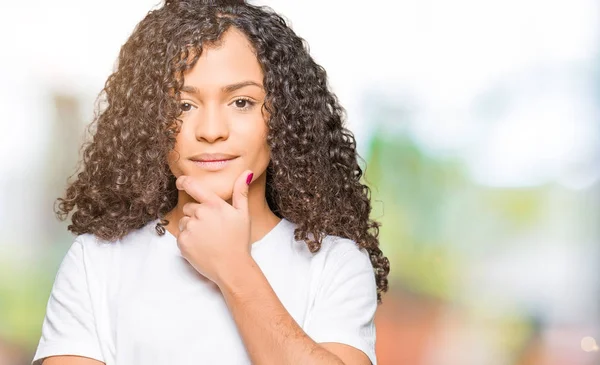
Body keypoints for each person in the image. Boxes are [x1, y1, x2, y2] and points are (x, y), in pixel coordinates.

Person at [32, 1, 390, 364]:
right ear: (148, 119)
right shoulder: (96, 263)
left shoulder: (334, 264)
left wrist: (233, 268)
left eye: (241, 102)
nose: (212, 131)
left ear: (283, 116)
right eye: (184, 106)